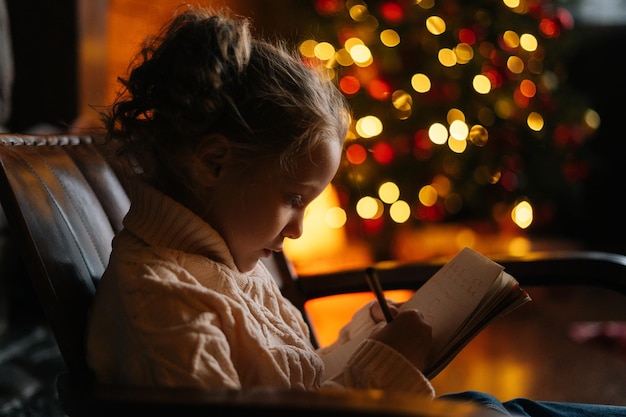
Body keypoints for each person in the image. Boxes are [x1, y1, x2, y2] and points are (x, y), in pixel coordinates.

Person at [85, 6, 625, 417]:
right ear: (214, 163)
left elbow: (295, 387)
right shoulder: (162, 303)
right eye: (293, 199)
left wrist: (361, 343)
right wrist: (391, 366)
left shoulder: (220, 264)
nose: (297, 228)